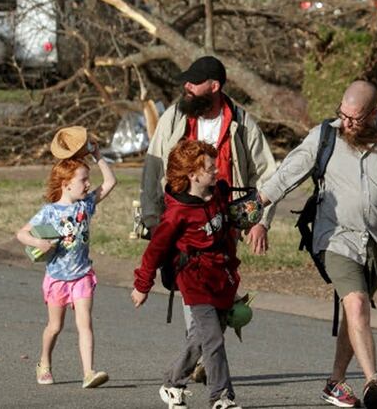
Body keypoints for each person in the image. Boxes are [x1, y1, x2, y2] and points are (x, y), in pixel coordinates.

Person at [258, 80, 377, 409]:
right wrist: (258, 209)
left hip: (376, 242)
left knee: (353, 314)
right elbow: (288, 173)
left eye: (354, 118)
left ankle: (335, 382)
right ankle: (374, 383)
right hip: (335, 236)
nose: (346, 123)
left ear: (373, 114)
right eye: (342, 115)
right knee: (356, 304)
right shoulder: (325, 135)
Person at [139, 55, 277, 380]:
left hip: (223, 222)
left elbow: (269, 174)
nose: (186, 86)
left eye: (194, 82)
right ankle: (204, 369)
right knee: (194, 290)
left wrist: (261, 220)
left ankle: (195, 357)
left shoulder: (241, 123)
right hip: (182, 220)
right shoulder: (175, 116)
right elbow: (154, 165)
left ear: (214, 86)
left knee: (218, 292)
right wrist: (150, 215)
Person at [132, 140, 245, 409]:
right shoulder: (176, 214)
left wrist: (233, 273)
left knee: (201, 338)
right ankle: (221, 397)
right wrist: (142, 285)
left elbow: (225, 237)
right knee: (213, 339)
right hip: (194, 281)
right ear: (193, 175)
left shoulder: (217, 194)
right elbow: (155, 251)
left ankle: (172, 383)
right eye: (210, 168)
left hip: (219, 276)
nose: (216, 170)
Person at [16, 146, 117, 389]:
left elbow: (110, 181)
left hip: (82, 276)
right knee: (55, 326)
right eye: (83, 180)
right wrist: (37, 242)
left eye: (87, 180)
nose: (87, 184)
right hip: (57, 278)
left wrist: (98, 155)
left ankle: (88, 372)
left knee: (85, 324)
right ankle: (44, 362)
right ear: (66, 184)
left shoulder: (85, 206)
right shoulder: (49, 212)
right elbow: (21, 233)